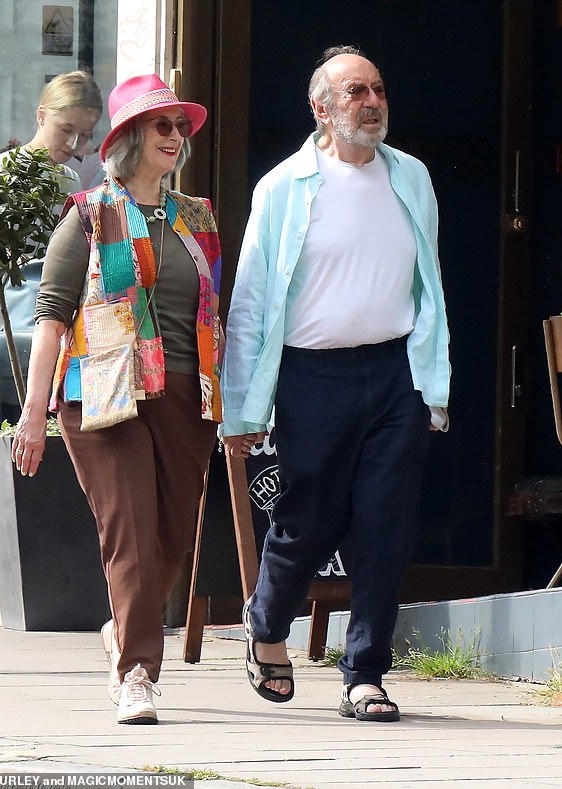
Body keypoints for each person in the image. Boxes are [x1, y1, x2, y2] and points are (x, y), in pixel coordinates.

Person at [221, 45, 450, 722]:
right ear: (320, 108)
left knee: (386, 522)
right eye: (355, 91)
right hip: (311, 373)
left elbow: (429, 285)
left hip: (394, 373)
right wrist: (241, 406)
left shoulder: (412, 176)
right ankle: (265, 620)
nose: (371, 101)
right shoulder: (283, 187)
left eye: (377, 88)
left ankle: (365, 673)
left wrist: (431, 383)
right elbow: (252, 299)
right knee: (309, 518)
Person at [11, 74, 223, 726]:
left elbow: (219, 312)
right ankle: (136, 671)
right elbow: (50, 318)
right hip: (104, 395)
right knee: (129, 530)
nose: (175, 136)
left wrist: (236, 403)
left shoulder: (198, 217)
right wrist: (33, 411)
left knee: (173, 535)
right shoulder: (88, 213)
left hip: (186, 395)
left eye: (180, 126)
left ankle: (122, 630)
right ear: (129, 137)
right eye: (161, 125)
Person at [0, 71, 103, 334]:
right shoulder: (0, 171)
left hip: (53, 320)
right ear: (41, 115)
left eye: (85, 135)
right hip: (4, 320)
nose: (73, 143)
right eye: (66, 129)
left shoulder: (70, 180)